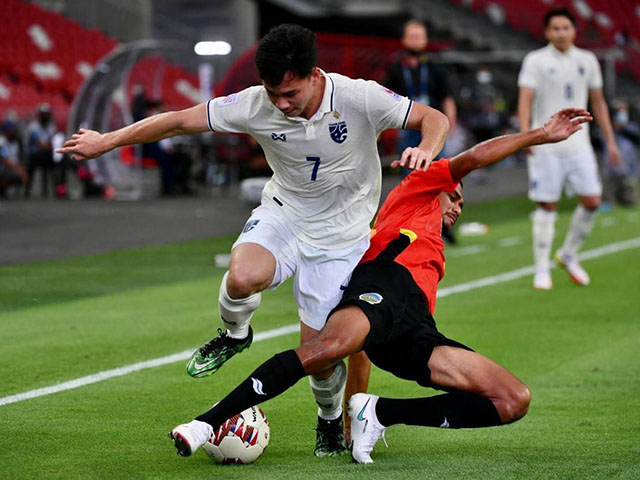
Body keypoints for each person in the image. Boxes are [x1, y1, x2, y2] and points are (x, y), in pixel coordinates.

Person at [56, 24, 449, 457]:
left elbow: (435, 118)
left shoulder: (359, 97)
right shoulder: (254, 103)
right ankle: (234, 333)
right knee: (241, 277)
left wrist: (426, 150)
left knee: (319, 356)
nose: (281, 104)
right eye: (273, 94)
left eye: (291, 94)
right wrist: (106, 141)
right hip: (284, 214)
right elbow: (178, 122)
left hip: (342, 239)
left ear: (314, 75)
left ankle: (330, 419)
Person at [169, 108, 591, 464]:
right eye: (455, 196)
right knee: (323, 352)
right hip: (388, 283)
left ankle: (380, 413)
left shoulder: (432, 254)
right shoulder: (419, 190)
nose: (459, 206)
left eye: (462, 201)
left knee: (512, 399)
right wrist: (540, 134)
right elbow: (475, 157)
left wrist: (358, 413)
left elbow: (363, 353)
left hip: (412, 325)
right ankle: (206, 422)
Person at [517, 7, 620, 290]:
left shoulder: (587, 60)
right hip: (546, 144)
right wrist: (526, 136)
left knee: (592, 201)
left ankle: (568, 254)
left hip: (580, 144)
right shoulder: (535, 60)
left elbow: (598, 102)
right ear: (547, 32)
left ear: (574, 30)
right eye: (556, 28)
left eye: (566, 28)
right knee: (547, 204)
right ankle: (541, 269)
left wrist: (610, 140)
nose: (561, 33)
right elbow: (525, 98)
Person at [385, 19, 457, 157]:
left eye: (419, 37)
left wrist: (451, 120)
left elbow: (447, 96)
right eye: (412, 37)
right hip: (407, 127)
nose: (415, 41)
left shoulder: (436, 68)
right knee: (410, 170)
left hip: (433, 125)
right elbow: (386, 99)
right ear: (404, 40)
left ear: (425, 40)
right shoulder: (396, 70)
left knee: (436, 169)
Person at [25, 104, 57, 198]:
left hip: (45, 154)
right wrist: (48, 147)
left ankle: (50, 190)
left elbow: (52, 141)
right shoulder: (33, 127)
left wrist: (49, 147)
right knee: (42, 160)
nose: (45, 116)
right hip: (34, 154)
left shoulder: (51, 126)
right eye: (43, 114)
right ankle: (27, 191)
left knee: (53, 161)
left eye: (46, 114)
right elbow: (39, 144)